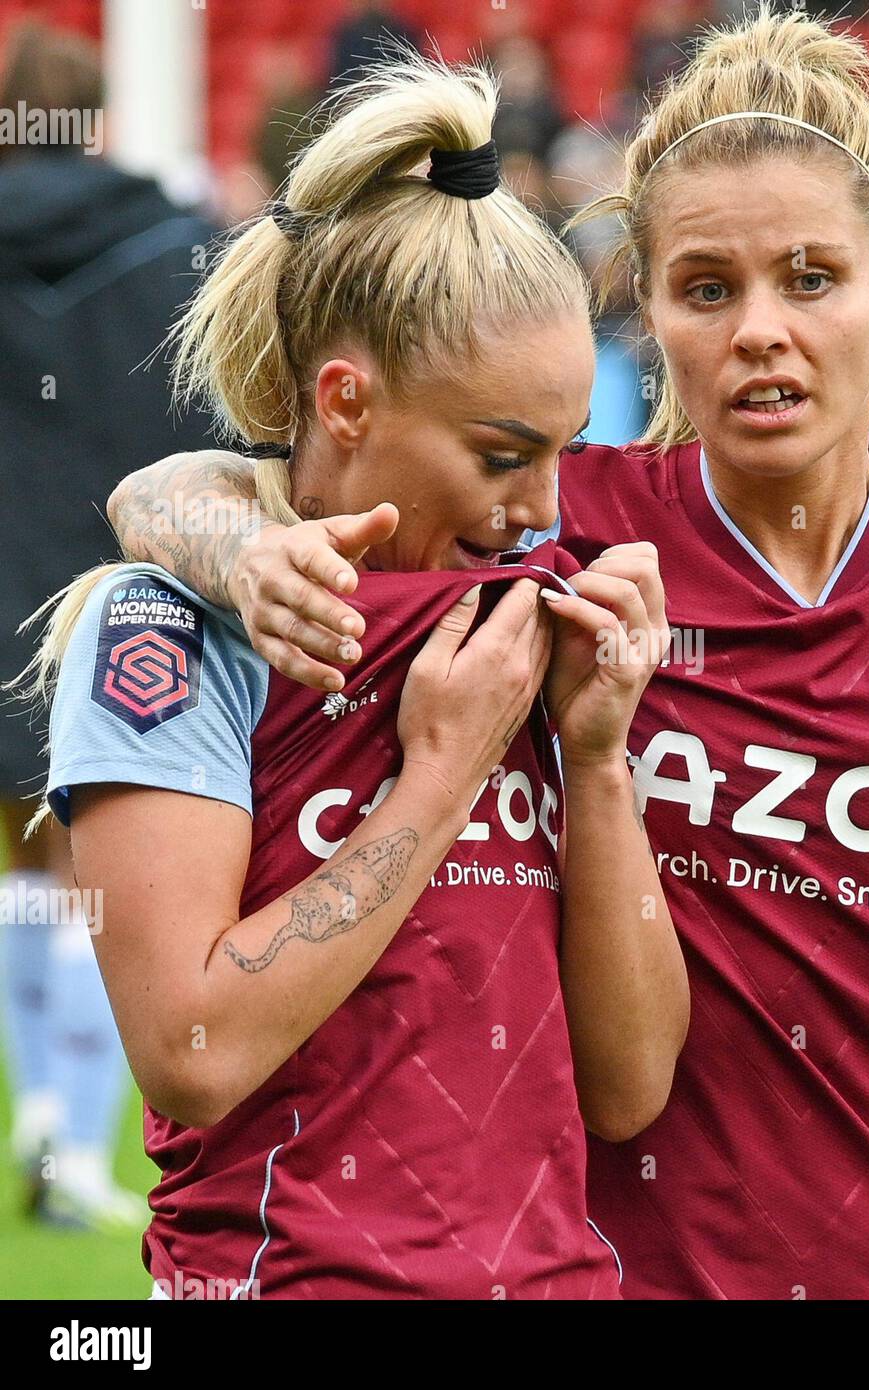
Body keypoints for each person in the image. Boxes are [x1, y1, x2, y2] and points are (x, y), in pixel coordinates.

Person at [106, 6, 869, 1300]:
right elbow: (207, 485)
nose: (761, 330)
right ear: (649, 304)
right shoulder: (569, 526)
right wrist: (224, 545)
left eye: (813, 277)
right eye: (709, 289)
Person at [30, 53, 687, 1299]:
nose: (539, 507)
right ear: (343, 400)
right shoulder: (165, 633)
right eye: (501, 454)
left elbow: (630, 1086)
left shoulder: (537, 624)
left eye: (563, 451)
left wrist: (597, 762)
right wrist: (437, 787)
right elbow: (194, 1049)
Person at [0, 18, 214, 1232]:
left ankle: (41, 1112)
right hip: (103, 604)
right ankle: (76, 1137)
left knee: (23, 880)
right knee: (84, 878)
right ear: (94, 118)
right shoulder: (170, 247)